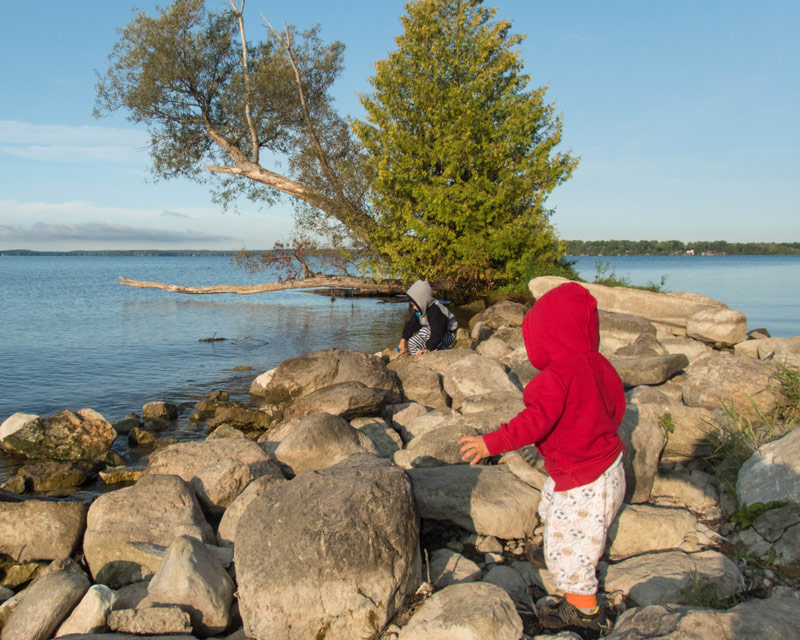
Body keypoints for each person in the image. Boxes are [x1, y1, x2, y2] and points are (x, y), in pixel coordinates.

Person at [458, 282, 626, 633]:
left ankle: (584, 610)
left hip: (583, 479)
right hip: (608, 467)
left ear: (546, 335)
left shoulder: (556, 377)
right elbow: (616, 409)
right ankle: (553, 544)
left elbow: (533, 423)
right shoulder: (600, 365)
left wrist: (492, 443)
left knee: (573, 550)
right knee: (551, 503)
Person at [397, 280, 458, 356]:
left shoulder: (436, 311)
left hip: (448, 334)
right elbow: (411, 325)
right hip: (433, 334)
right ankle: (418, 357)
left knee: (425, 331)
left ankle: (440, 348)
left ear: (422, 301)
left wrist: (428, 348)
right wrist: (403, 340)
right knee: (412, 341)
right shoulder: (420, 310)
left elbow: (437, 331)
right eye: (412, 305)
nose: (414, 308)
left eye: (415, 305)